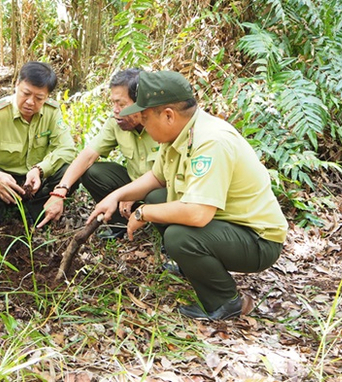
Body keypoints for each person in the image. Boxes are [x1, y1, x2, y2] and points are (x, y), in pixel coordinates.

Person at [87, 71, 287, 320]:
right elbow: (156, 178)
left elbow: (197, 213)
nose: (143, 124)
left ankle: (225, 301)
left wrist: (142, 213)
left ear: (168, 115)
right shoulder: (176, 135)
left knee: (179, 236)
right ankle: (192, 267)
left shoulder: (211, 141)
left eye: (146, 117)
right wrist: (115, 196)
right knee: (157, 197)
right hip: (226, 224)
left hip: (257, 240)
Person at [37, 69, 160, 238]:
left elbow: (170, 176)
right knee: (93, 172)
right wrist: (60, 192)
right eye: (113, 103)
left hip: (162, 192)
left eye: (122, 104)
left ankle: (167, 241)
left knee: (157, 194)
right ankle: (120, 225)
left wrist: (132, 193)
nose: (116, 110)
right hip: (133, 186)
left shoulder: (164, 126)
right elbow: (88, 156)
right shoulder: (116, 122)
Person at [0, 61, 77, 228]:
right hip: (5, 180)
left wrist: (40, 169)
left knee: (69, 170)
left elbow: (67, 149)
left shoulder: (52, 112)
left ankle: (34, 217)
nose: (30, 102)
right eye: (25, 93)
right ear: (16, 85)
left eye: (39, 98)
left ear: (47, 97)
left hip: (37, 182)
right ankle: (1, 222)